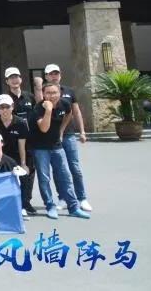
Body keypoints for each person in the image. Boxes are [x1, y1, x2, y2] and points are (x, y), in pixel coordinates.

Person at [30, 82, 90, 219]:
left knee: (65, 177)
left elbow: (69, 114)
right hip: (40, 148)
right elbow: (44, 128)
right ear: (43, 94)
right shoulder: (38, 108)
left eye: (54, 93)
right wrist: (48, 110)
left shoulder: (65, 104)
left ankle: (73, 207)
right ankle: (50, 206)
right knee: (44, 179)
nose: (51, 96)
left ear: (60, 93)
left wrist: (61, 131)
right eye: (48, 93)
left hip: (57, 146)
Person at [0, 93, 34, 215]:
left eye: (7, 106)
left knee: (23, 175)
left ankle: (24, 204)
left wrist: (23, 163)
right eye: (1, 107)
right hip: (2, 155)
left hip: (18, 154)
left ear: (12, 107)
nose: (4, 110)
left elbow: (22, 145)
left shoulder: (20, 122)